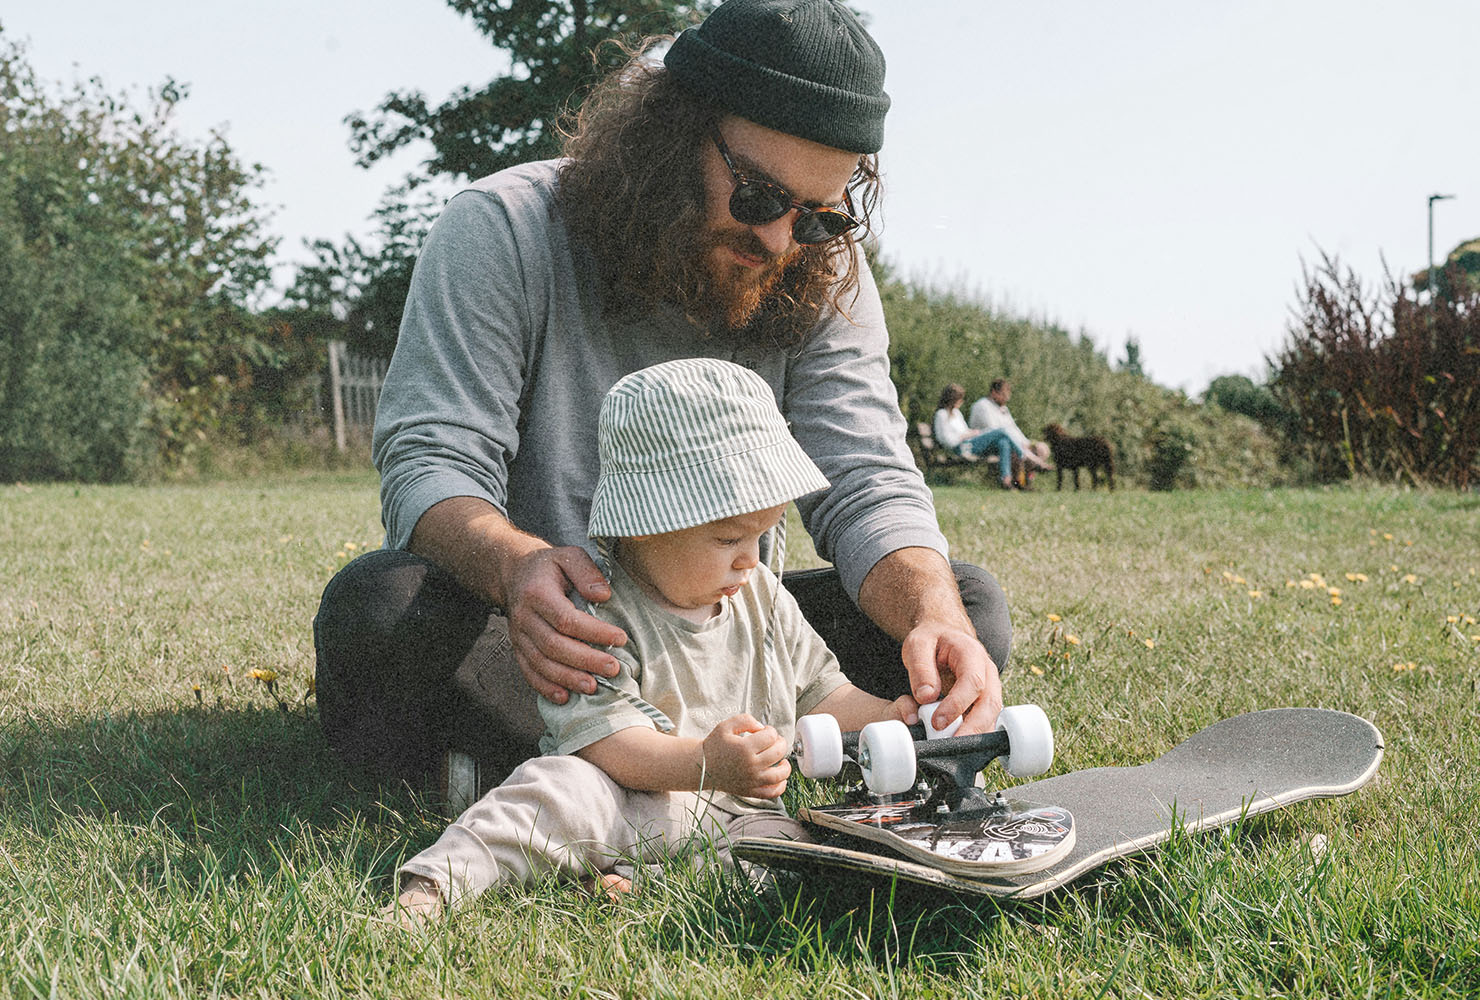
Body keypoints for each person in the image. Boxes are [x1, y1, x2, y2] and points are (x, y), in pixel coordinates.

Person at [313, 0, 1012, 806]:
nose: (781, 240)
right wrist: (517, 568)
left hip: (737, 637)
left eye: (819, 216)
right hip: (563, 637)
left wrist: (935, 618)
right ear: (671, 135)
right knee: (381, 610)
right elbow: (431, 463)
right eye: (756, 196)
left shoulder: (824, 276)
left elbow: (866, 481)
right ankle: (671, 756)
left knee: (966, 608)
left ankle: (547, 770)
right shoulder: (504, 229)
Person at [385, 359, 915, 925]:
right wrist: (705, 764)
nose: (750, 558)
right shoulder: (598, 610)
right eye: (729, 537)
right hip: (625, 798)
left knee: (798, 852)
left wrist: (892, 717)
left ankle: (627, 877)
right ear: (646, 521)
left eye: (762, 534)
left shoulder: (759, 593)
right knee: (557, 792)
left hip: (742, 814)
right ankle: (436, 887)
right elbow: (610, 744)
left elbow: (821, 692)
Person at [931, 382, 1044, 489]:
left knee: (1003, 442)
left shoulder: (956, 413)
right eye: (960, 399)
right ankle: (1024, 455)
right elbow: (945, 440)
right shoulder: (941, 415)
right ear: (953, 399)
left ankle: (1006, 480)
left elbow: (964, 431)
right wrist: (965, 435)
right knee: (1002, 431)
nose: (961, 402)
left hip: (969, 443)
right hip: (961, 447)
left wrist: (971, 433)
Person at [968, 378, 1053, 484]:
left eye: (1007, 396)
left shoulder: (1003, 409)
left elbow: (1013, 428)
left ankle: (1026, 480)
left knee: (1041, 448)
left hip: (1006, 442)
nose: (1006, 399)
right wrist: (1019, 444)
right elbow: (995, 431)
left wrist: (1026, 443)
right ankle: (1021, 479)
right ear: (994, 393)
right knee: (1006, 443)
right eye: (1003, 395)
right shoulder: (982, 406)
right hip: (985, 445)